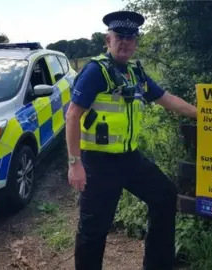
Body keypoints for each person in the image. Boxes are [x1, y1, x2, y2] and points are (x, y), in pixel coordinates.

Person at [65, 10, 197, 270]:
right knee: (94, 229)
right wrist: (74, 163)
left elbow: (166, 99)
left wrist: (202, 115)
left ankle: (158, 264)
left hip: (130, 160)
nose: (124, 42)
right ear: (108, 40)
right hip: (98, 163)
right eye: (119, 36)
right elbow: (72, 116)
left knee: (164, 195)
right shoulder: (95, 71)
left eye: (130, 37)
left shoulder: (135, 73)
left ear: (136, 42)